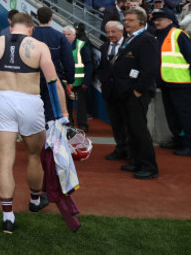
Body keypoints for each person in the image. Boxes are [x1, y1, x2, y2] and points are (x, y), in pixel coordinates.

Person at [0, 13, 64, 234]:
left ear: (11, 27)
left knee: (5, 160)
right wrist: (63, 114)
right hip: (30, 101)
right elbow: (53, 82)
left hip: (4, 99)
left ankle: (8, 216)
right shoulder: (39, 46)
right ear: (31, 28)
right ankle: (35, 201)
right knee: (33, 155)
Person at [108, 9, 159, 179]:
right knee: (132, 130)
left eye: (130, 20)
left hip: (136, 92)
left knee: (139, 130)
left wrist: (138, 90)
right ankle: (136, 161)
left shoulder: (146, 40)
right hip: (126, 92)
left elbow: (149, 68)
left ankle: (149, 167)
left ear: (141, 22)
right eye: (125, 19)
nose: (126, 22)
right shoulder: (133, 38)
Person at [152, 10, 191, 156]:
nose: (156, 22)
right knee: (172, 116)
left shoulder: (178, 34)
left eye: (160, 19)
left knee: (185, 116)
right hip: (166, 82)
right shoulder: (157, 35)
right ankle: (178, 140)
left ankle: (190, 144)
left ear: (169, 20)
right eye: (155, 20)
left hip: (182, 83)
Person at [31, 7, 75, 122]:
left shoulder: (30, 36)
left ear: (37, 18)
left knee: (34, 112)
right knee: (52, 112)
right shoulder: (59, 36)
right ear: (51, 18)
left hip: (33, 79)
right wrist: (70, 79)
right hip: (54, 79)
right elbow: (68, 60)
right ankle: (50, 137)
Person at [98, 21, 129, 161]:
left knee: (128, 123)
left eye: (113, 32)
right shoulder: (104, 47)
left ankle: (131, 150)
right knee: (115, 123)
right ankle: (120, 148)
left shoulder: (129, 46)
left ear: (121, 32)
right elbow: (103, 67)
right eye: (108, 32)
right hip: (109, 92)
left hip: (126, 92)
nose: (110, 35)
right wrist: (103, 81)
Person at [62, 25, 93, 132]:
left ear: (74, 35)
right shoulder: (60, 45)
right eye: (64, 34)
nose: (66, 36)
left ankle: (82, 124)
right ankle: (69, 122)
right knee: (67, 104)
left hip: (80, 82)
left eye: (68, 34)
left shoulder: (81, 45)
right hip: (66, 81)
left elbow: (89, 64)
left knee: (81, 105)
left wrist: (86, 81)